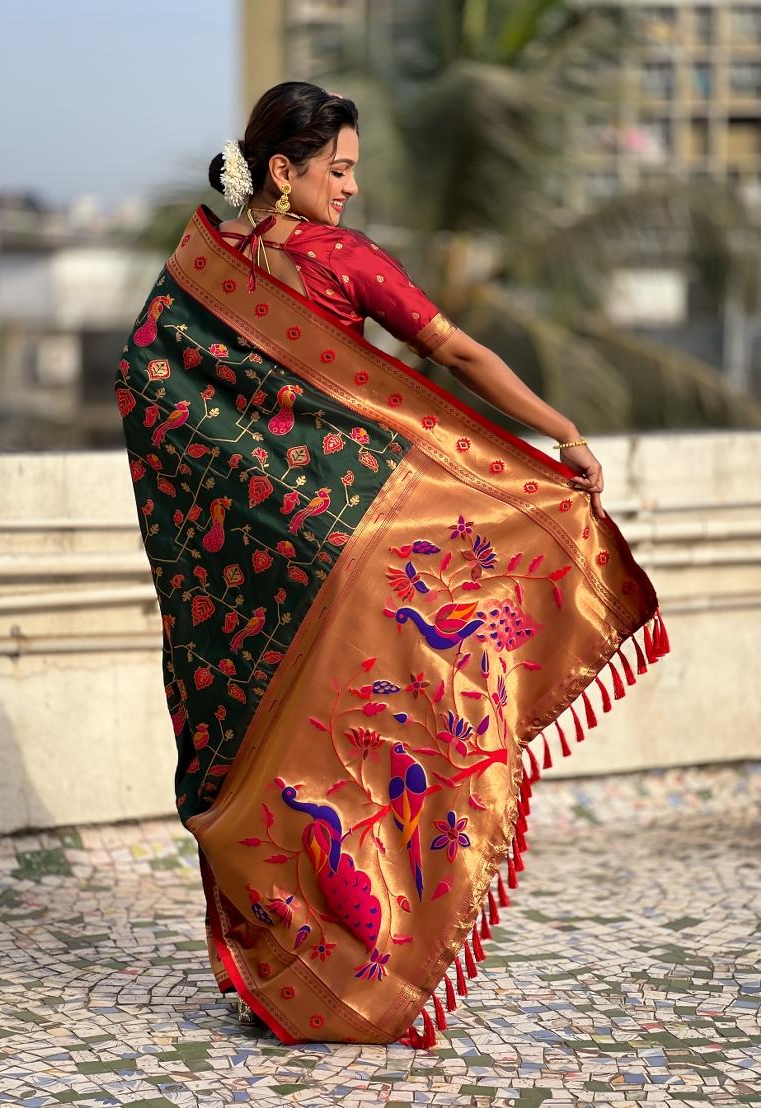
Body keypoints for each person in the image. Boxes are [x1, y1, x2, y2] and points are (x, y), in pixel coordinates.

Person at [114, 81, 669, 1049]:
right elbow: (458, 355)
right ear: (280, 171)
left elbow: (142, 379)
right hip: (353, 557)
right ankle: (364, 965)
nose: (351, 188)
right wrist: (562, 431)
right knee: (371, 753)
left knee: (273, 767)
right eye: (338, 170)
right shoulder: (342, 260)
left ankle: (284, 975)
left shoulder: (199, 270)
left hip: (256, 574)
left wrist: (239, 507)